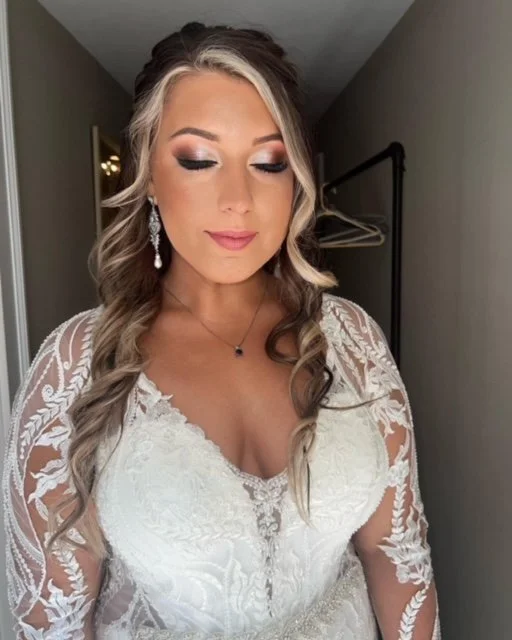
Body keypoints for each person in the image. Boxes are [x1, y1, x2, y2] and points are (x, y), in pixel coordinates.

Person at [2, 21, 441, 640]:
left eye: (268, 162)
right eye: (199, 159)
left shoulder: (352, 339)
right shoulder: (77, 365)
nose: (239, 198)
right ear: (148, 176)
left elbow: (395, 555)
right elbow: (54, 623)